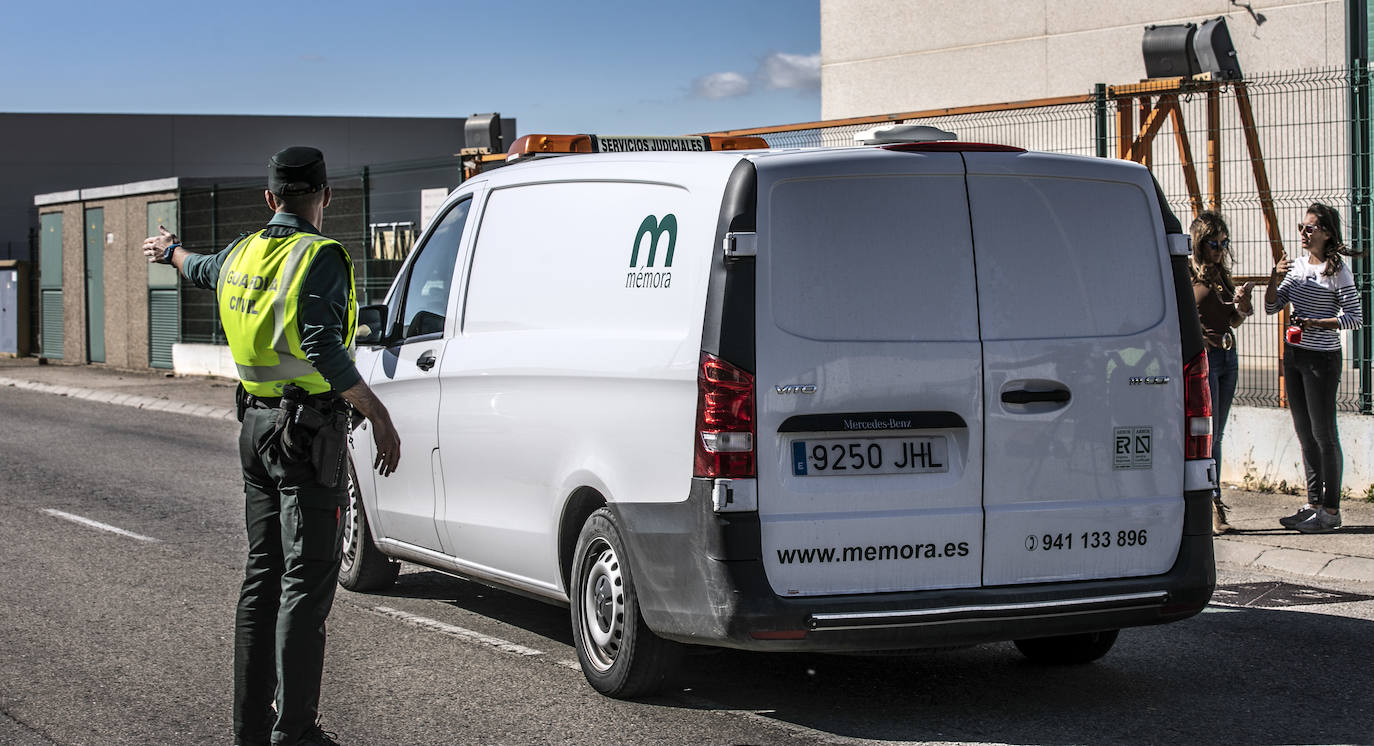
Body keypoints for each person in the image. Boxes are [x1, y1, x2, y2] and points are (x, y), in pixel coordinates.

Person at [141, 146, 401, 746]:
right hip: (308, 436)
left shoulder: (243, 253)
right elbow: (322, 344)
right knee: (306, 587)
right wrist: (379, 415)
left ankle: (251, 730)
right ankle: (297, 732)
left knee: (262, 578)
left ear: (268, 197)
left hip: (255, 429)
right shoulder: (320, 257)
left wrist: (171, 250)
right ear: (326, 195)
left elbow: (201, 267)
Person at [1264, 202, 1363, 533]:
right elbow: (1271, 306)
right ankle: (1313, 503)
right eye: (1301, 228)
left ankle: (1331, 512)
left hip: (1322, 360)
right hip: (1294, 356)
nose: (1303, 234)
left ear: (1326, 233)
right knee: (1305, 432)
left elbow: (1355, 317)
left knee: (1324, 435)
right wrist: (1275, 278)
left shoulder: (1338, 272)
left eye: (1310, 228)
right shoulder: (1297, 267)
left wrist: (1316, 323)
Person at [1189, 211, 1254, 535]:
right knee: (1209, 436)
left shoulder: (1220, 275)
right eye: (1213, 243)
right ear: (1200, 243)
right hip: (1207, 359)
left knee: (1219, 433)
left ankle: (1212, 502)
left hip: (1229, 357)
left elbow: (1234, 319)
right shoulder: (1188, 273)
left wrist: (1242, 306)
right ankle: (1212, 506)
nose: (1219, 249)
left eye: (1223, 243)